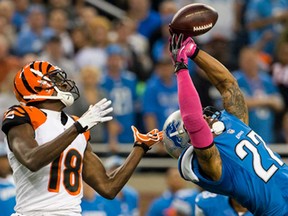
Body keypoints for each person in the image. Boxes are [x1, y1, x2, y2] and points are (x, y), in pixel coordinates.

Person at [1, 60, 163, 216]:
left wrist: (140, 148)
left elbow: (108, 187)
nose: (64, 83)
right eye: (54, 79)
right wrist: (78, 128)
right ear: (37, 86)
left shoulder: (76, 123)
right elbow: (32, 160)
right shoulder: (21, 115)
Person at [163, 33, 288, 215]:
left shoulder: (231, 122)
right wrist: (181, 68)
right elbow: (193, 120)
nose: (204, 116)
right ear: (189, 142)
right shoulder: (211, 165)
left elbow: (228, 85)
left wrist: (195, 52)